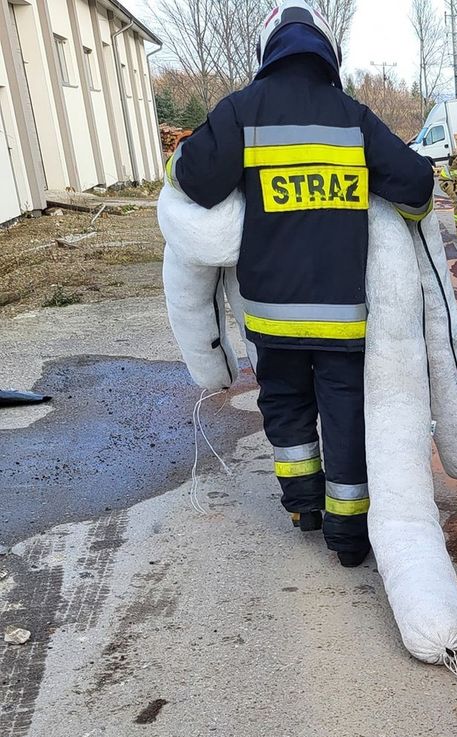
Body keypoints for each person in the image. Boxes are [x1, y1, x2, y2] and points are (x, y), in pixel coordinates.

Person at [165, 0, 435, 568]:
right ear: (325, 54)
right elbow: (415, 184)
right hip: (342, 317)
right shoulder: (352, 116)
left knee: (285, 407)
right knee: (345, 413)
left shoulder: (243, 111)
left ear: (269, 53)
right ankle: (348, 537)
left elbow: (195, 181)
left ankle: (302, 507)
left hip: (270, 313)